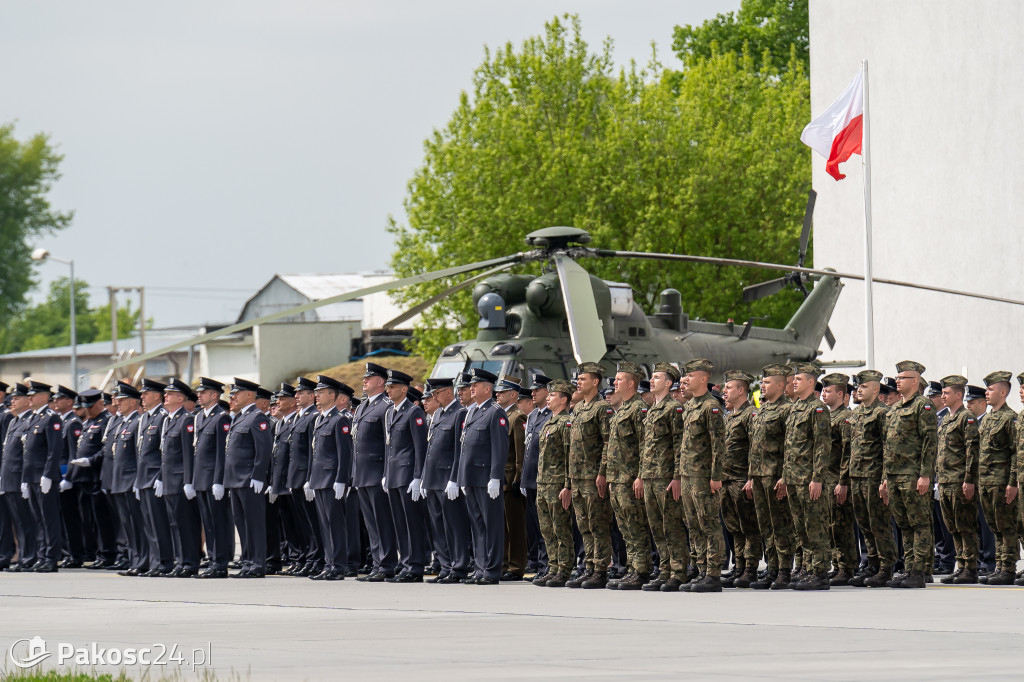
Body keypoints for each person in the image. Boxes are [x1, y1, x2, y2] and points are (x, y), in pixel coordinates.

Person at [881, 361, 937, 588]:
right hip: (895, 475)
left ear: (915, 381)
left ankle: (920, 570)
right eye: (898, 377)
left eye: (903, 377)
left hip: (913, 475)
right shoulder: (894, 409)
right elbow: (888, 446)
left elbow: (929, 442)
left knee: (920, 524)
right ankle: (910, 567)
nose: (898, 381)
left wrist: (925, 475)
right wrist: (885, 478)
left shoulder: (922, 406)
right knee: (904, 524)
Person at [674, 359, 726, 593]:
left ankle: (713, 573)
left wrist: (716, 476)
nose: (685, 380)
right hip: (688, 475)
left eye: (690, 376)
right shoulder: (690, 406)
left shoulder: (710, 406)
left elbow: (718, 444)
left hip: (704, 476)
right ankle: (700, 567)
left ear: (703, 379)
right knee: (693, 524)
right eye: (684, 376)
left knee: (709, 524)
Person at [600, 362, 652, 591]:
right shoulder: (623, 408)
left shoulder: (639, 409)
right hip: (618, 478)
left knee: (636, 525)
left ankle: (641, 570)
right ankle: (631, 568)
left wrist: (640, 476)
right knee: (625, 528)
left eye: (619, 380)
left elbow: (645, 445)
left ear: (631, 383)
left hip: (631, 479)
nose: (614, 383)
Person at [455, 368, 508, 585]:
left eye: (475, 385)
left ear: (487, 389)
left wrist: (495, 476)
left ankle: (492, 569)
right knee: (477, 525)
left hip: (486, 478)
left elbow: (499, 447)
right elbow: (465, 447)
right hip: (471, 477)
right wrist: (461, 478)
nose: (471, 388)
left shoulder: (495, 412)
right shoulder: (472, 412)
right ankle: (480, 567)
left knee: (491, 525)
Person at [744, 365, 796, 590]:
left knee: (781, 524)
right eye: (762, 382)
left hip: (775, 475)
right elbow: (754, 447)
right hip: (758, 475)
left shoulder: (787, 410)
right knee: (765, 525)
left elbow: (791, 446)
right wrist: (750, 476)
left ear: (781, 385)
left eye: (766, 382)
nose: (762, 386)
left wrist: (786, 477)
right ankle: (772, 567)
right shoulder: (762, 410)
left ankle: (785, 569)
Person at [781, 364, 832, 591]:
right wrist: (784, 476)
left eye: (799, 379)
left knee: (815, 527)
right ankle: (808, 569)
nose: (794, 382)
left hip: (809, 479)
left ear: (811, 383)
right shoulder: (794, 408)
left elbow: (822, 446)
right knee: (800, 528)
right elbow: (790, 447)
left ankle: (820, 573)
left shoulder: (817, 409)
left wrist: (817, 478)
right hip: (793, 478)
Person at [566, 362, 614, 589]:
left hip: (593, 477)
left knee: (598, 524)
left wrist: (602, 473)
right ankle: (589, 567)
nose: (578, 382)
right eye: (578, 378)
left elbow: (608, 443)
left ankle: (601, 569)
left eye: (583, 379)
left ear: (595, 382)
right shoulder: (577, 409)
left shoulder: (602, 408)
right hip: (577, 477)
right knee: (583, 524)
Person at [420, 377, 471, 583]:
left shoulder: (459, 413)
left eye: (436, 393)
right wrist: (424, 477)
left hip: (447, 478)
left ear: (448, 392)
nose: (433, 397)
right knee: (438, 526)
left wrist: (454, 478)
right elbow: (430, 449)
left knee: (454, 525)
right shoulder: (438, 414)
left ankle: (458, 567)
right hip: (433, 478)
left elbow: (460, 450)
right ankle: (445, 565)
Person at [382, 369, 429, 582]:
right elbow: (388, 447)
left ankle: (416, 565)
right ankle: (405, 563)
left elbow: (420, 448)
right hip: (393, 475)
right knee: (399, 522)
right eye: (387, 387)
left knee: (412, 522)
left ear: (404, 389)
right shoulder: (390, 412)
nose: (388, 390)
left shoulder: (414, 412)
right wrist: (385, 474)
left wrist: (418, 477)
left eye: (392, 387)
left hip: (408, 475)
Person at [352, 362, 398, 582]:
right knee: (371, 523)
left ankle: (387, 564)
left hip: (377, 472)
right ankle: (377, 563)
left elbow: (390, 444)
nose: (364, 381)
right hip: (362, 473)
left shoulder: (386, 406)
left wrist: (386, 473)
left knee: (382, 521)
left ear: (380, 382)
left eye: (368, 379)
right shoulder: (362, 407)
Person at [224, 378, 273, 578]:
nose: (233, 396)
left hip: (249, 480)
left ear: (250, 395)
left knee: (254, 523)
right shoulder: (238, 417)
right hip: (235, 480)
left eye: (238, 392)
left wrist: (258, 475)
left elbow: (264, 449)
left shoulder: (257, 417)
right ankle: (247, 561)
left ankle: (257, 564)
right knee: (241, 523)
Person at [306, 375, 353, 581]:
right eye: (316, 393)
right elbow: (314, 452)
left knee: (335, 525)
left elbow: (345, 453)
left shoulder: (339, 420)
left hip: (332, 479)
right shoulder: (320, 419)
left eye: (321, 392)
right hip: (319, 479)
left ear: (332, 395)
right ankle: (329, 563)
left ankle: (339, 565)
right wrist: (310, 478)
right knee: (324, 525)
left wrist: (342, 479)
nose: (316, 396)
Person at [935, 375, 980, 584]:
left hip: (959, 481)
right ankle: (960, 566)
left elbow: (972, 449)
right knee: (952, 526)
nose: (943, 396)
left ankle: (970, 568)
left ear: (958, 395)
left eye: (947, 393)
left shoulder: (966, 417)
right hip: (945, 481)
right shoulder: (946, 419)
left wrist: (969, 479)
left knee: (965, 526)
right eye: (942, 393)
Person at [65, 389, 117, 569]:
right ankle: (99, 553)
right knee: (90, 519)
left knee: (102, 519)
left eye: (90, 406)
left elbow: (107, 447)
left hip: (98, 476)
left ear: (100, 404)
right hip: (85, 478)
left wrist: (91, 460)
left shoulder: (106, 421)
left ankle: (107, 554)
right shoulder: (90, 422)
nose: (87, 410)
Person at [719, 370, 760, 588]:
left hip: (742, 479)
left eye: (729, 388)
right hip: (727, 479)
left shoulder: (750, 415)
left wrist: (752, 477)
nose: (724, 392)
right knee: (734, 527)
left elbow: (756, 448)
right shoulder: (730, 416)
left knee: (748, 526)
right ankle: (740, 565)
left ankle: (750, 568)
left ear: (741, 390)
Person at [976, 371, 1018, 585]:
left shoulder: (1009, 418)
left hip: (1001, 481)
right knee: (994, 526)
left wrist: (1012, 482)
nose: (987, 393)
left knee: (1006, 526)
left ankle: (1008, 568)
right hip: (985, 481)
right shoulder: (989, 418)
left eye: (990, 389)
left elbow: (1014, 453)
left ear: (1003, 392)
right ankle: (1000, 566)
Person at [533, 380, 575, 587]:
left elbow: (570, 456)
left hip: (558, 484)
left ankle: (564, 568)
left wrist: (568, 486)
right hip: (544, 483)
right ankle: (553, 566)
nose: (547, 398)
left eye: (552, 395)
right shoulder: (549, 422)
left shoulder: (566, 423)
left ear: (564, 399)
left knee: (561, 528)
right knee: (547, 529)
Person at [191, 378, 234, 579]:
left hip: (213, 480)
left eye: (203, 392)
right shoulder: (199, 417)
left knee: (218, 523)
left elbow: (221, 453)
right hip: (200, 479)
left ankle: (220, 563)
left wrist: (219, 480)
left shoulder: (221, 418)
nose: (199, 396)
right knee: (207, 523)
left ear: (214, 395)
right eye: (199, 393)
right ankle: (213, 559)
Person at [158, 379, 201, 577]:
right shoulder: (169, 419)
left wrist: (188, 481)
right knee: (174, 524)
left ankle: (190, 563)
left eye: (169, 394)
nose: (165, 396)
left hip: (180, 481)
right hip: (169, 481)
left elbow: (187, 454)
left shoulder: (186, 419)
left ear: (180, 398)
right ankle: (181, 561)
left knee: (186, 524)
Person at [819, 374, 858, 586]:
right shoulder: (826, 416)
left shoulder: (845, 418)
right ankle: (837, 564)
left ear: (841, 394)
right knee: (830, 525)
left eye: (829, 391)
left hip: (837, 478)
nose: (824, 394)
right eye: (823, 391)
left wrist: (843, 482)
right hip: (826, 479)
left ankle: (847, 566)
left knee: (841, 525)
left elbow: (847, 452)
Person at [22, 381, 65, 572]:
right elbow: (27, 452)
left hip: (44, 478)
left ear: (44, 397)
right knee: (37, 519)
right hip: (31, 476)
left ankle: (51, 557)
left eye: (33, 395)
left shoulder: (51, 418)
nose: (29, 398)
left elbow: (54, 450)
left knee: (49, 519)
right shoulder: (33, 418)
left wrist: (48, 474)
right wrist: (25, 478)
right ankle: (41, 555)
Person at [284, 376, 324, 577]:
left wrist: (310, 478)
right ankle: (309, 557)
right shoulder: (299, 417)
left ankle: (316, 559)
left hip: (306, 478)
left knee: (313, 523)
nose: (297, 396)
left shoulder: (313, 417)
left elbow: (312, 451)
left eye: (301, 393)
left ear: (312, 396)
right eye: (296, 393)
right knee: (302, 523)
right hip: (295, 478)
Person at [135, 378, 173, 576]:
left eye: (145, 393)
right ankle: (155, 561)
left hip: (155, 477)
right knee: (149, 525)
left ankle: (165, 562)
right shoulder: (146, 418)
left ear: (157, 396)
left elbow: (164, 452)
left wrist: (160, 477)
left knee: (159, 524)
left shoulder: (163, 417)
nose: (142, 397)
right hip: (143, 478)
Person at [493, 375, 528, 581]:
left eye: (503, 392)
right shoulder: (501, 414)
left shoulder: (517, 417)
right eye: (497, 391)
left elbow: (519, 451)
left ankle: (516, 567)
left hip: (511, 479)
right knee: (503, 526)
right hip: (500, 479)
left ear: (514, 394)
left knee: (514, 526)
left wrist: (518, 478)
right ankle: (505, 563)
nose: (498, 394)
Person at [1, 384, 38, 571]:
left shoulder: (29, 421)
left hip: (19, 477)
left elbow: (28, 454)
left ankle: (29, 557)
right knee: (17, 522)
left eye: (17, 398)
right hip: (9, 478)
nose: (12, 401)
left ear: (27, 401)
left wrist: (25, 478)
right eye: (12, 398)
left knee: (25, 522)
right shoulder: (14, 421)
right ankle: (24, 556)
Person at [521, 373, 551, 576]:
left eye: (537, 390)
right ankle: (539, 563)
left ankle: (546, 565)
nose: (533, 393)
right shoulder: (532, 415)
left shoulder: (552, 415)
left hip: (544, 477)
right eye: (532, 390)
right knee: (534, 525)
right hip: (530, 477)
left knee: (545, 526)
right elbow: (527, 448)